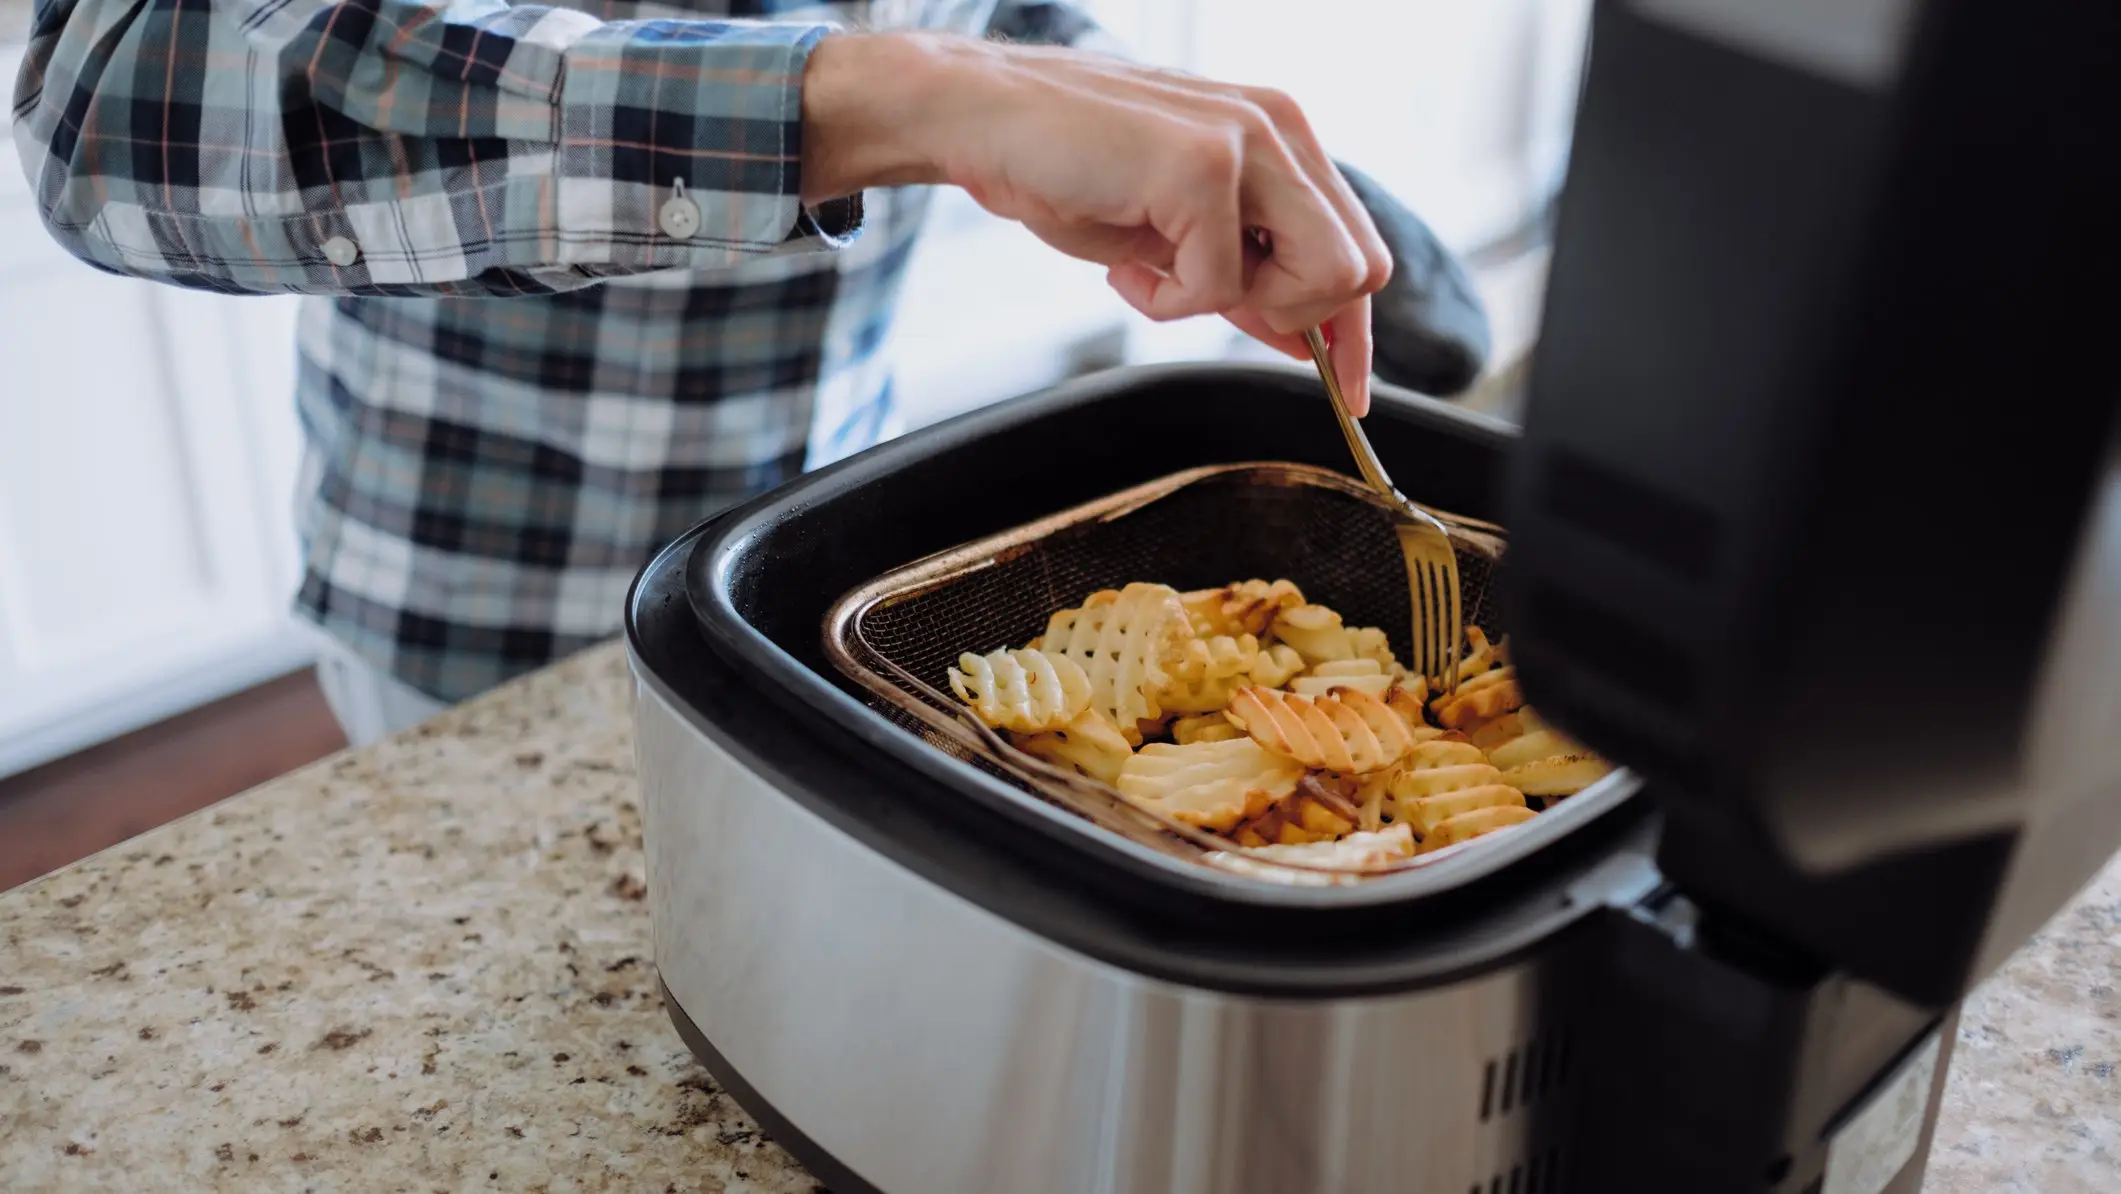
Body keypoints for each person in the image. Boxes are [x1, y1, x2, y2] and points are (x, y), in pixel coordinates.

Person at [12, 1, 1403, 746]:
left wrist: (1135, 115)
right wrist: (890, 99)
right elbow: (112, 102)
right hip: (489, 624)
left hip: (824, 568)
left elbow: (980, 22)